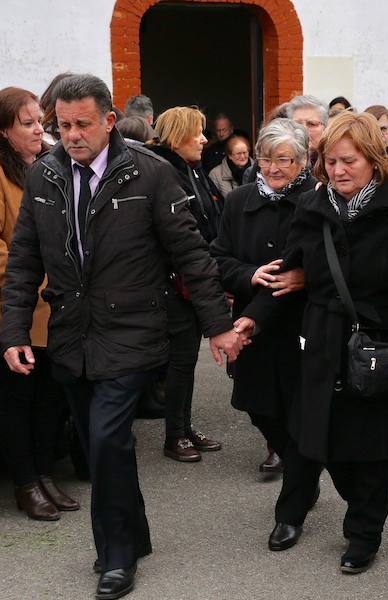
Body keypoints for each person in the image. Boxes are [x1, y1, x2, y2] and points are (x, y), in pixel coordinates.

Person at [0, 74, 242, 599]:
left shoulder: (150, 174)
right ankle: (137, 532)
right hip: (70, 331)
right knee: (98, 444)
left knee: (108, 437)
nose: (72, 135)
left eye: (82, 124)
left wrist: (218, 327)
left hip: (132, 329)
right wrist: (14, 330)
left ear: (109, 120)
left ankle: (116, 553)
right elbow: (23, 260)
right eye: (62, 125)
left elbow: (191, 256)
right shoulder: (45, 176)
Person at [234, 111, 388, 574]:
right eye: (330, 161)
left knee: (372, 447)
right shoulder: (312, 209)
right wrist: (252, 319)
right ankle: (295, 512)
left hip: (381, 344)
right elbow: (288, 276)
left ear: (373, 159)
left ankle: (364, 533)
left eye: (348, 160)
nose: (338, 171)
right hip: (323, 340)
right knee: (315, 436)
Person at [0, 86, 79, 522]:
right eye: (27, 124)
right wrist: (40, 282)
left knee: (51, 396)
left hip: (56, 307)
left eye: (39, 122)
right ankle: (25, 483)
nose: (38, 130)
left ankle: (44, 474)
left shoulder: (47, 166)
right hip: (14, 308)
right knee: (17, 397)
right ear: (3, 130)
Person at [210, 118, 315, 476]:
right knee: (257, 404)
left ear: (302, 161)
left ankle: (299, 475)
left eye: (283, 159)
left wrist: (307, 277)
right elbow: (219, 257)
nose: (272, 167)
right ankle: (290, 456)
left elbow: (325, 262)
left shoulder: (317, 200)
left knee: (297, 404)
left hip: (300, 321)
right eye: (266, 158)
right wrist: (247, 273)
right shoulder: (239, 200)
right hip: (251, 323)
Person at [147, 107, 225, 462]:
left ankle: (185, 428)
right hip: (173, 282)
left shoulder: (190, 170)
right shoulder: (165, 172)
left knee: (186, 360)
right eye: (198, 133)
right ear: (178, 136)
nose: (205, 140)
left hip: (190, 278)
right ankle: (174, 435)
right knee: (180, 361)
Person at [286, 95, 328, 166]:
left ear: (325, 128)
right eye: (297, 124)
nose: (303, 130)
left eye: (312, 124)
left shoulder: (332, 164)